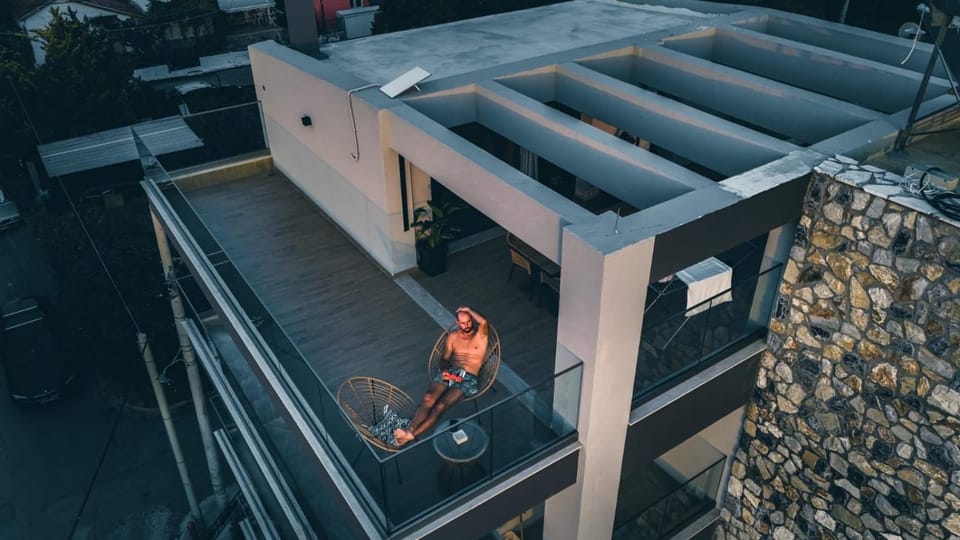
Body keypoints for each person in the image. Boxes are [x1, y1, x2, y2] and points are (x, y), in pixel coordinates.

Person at [394, 306, 489, 446]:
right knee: (428, 398)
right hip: (451, 372)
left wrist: (468, 309)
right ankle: (410, 430)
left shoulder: (480, 335)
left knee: (441, 406)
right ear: (457, 323)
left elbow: (484, 322)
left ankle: (412, 434)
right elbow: (445, 358)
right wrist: (445, 369)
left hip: (467, 378)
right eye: (463, 323)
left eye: (469, 321)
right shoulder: (453, 336)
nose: (467, 325)